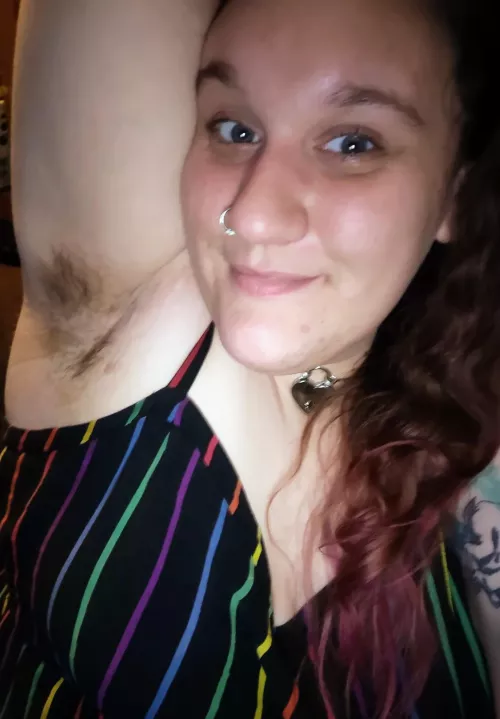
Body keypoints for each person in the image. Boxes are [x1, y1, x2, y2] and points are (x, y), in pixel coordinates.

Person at [0, 0, 499, 716]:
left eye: (352, 143)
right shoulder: (141, 331)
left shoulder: (448, 433)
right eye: (234, 129)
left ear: (455, 193)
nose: (254, 213)